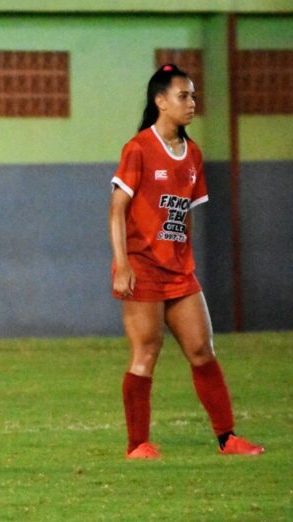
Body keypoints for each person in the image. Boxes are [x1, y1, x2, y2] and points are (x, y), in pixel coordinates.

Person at [108, 64, 264, 459]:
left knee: (202, 349)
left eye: (193, 95)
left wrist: (184, 258)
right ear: (160, 101)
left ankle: (228, 439)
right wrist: (122, 264)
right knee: (146, 352)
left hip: (179, 271)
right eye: (183, 96)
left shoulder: (192, 153)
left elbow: (185, 214)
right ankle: (137, 445)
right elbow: (116, 210)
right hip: (142, 267)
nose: (191, 102)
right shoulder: (139, 148)